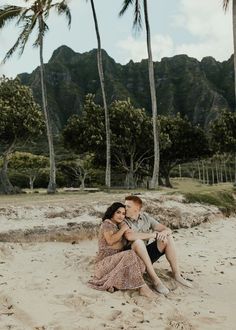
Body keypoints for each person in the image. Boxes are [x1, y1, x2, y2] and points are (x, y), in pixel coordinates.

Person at [122, 195, 192, 295]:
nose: (125, 208)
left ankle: (177, 274)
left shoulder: (146, 218)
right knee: (138, 242)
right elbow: (129, 236)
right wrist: (153, 234)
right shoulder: (123, 220)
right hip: (130, 257)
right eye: (125, 205)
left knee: (167, 237)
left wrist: (163, 233)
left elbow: (167, 229)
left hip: (145, 255)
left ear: (136, 208)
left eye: (128, 206)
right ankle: (156, 281)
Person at [88, 202, 156, 298]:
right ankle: (142, 288)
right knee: (129, 254)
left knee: (140, 263)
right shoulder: (107, 223)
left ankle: (116, 281)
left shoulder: (118, 225)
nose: (121, 216)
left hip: (115, 260)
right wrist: (123, 229)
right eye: (118, 212)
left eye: (123, 214)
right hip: (104, 262)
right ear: (112, 212)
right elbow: (110, 241)